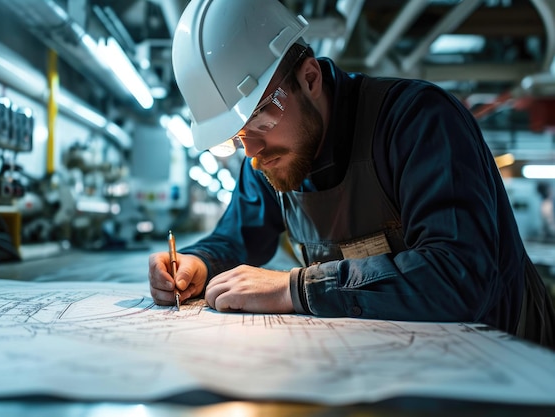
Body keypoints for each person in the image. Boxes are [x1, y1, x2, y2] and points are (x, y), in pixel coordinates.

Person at [148, 0, 555, 349]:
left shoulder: (418, 123)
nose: (251, 152)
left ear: (309, 79)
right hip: (392, 362)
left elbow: (457, 276)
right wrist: (198, 263)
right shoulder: (268, 161)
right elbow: (235, 238)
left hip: (505, 367)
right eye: (236, 138)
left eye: (260, 120)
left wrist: (298, 288)